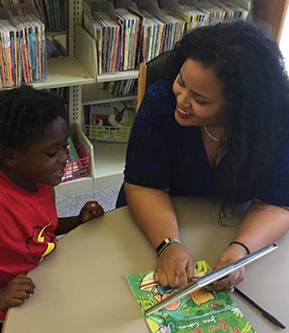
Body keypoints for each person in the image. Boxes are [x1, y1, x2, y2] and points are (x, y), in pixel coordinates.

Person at [116, 20, 289, 290]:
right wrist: (168, 245)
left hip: (226, 224)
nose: (182, 100)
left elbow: (278, 202)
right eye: (181, 82)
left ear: (239, 108)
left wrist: (241, 250)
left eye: (201, 99)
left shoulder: (276, 122)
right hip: (152, 221)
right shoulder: (161, 102)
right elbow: (143, 185)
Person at [0, 86, 104, 321]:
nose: (64, 159)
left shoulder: (42, 181)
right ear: (10, 156)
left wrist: (77, 221)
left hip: (48, 280)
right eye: (51, 153)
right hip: (15, 308)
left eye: (64, 146)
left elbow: (38, 230)